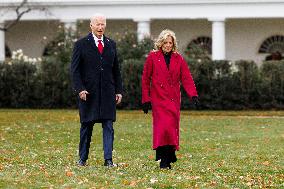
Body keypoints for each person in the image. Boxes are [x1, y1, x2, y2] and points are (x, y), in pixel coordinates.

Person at [141, 29, 199, 169]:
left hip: (173, 99)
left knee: (171, 129)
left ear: (173, 44)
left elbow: (186, 77)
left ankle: (169, 155)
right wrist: (146, 99)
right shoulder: (153, 57)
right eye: (165, 42)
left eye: (170, 43)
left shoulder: (178, 58)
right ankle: (164, 160)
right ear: (160, 43)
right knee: (163, 129)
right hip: (158, 99)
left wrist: (193, 94)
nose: (168, 45)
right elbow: (145, 79)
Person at [70, 13, 123, 167]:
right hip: (88, 94)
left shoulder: (111, 44)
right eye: (97, 24)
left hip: (108, 93)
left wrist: (118, 90)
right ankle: (82, 158)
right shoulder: (80, 44)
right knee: (86, 126)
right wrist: (80, 89)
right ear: (91, 26)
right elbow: (75, 70)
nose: (100, 27)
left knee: (108, 126)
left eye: (103, 24)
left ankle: (108, 160)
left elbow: (116, 70)